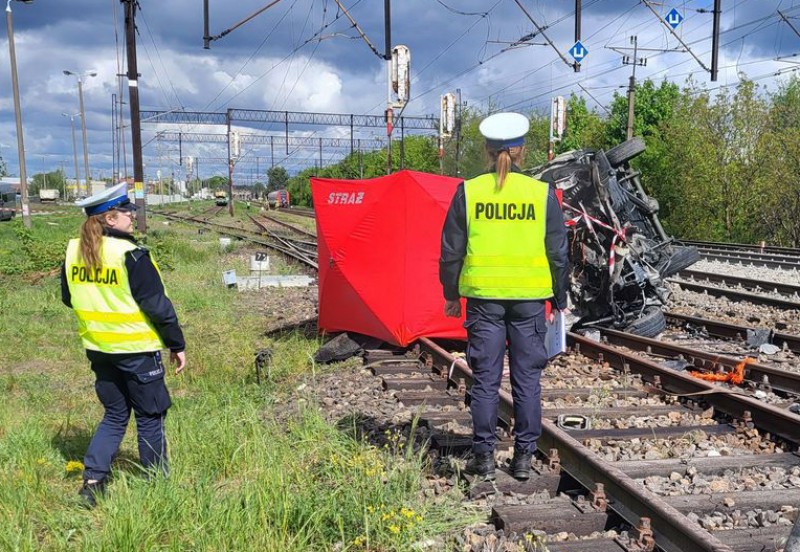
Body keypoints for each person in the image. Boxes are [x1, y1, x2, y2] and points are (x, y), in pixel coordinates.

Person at [439, 112, 569, 481]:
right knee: (527, 380)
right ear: (522, 151)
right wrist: (560, 299)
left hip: (484, 301)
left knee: (485, 379)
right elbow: (558, 253)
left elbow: (451, 250)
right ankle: (524, 458)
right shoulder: (541, 193)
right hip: (530, 302)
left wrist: (451, 294)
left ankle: (483, 459)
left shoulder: (470, 192)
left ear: (486, 149)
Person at [61, 182, 186, 507]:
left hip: (99, 351)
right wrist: (176, 344)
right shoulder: (131, 254)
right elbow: (158, 307)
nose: (133, 215)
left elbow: (68, 297)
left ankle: (92, 483)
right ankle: (160, 488)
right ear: (111, 219)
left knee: (115, 415)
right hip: (137, 352)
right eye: (127, 211)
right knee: (150, 416)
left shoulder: (73, 250)